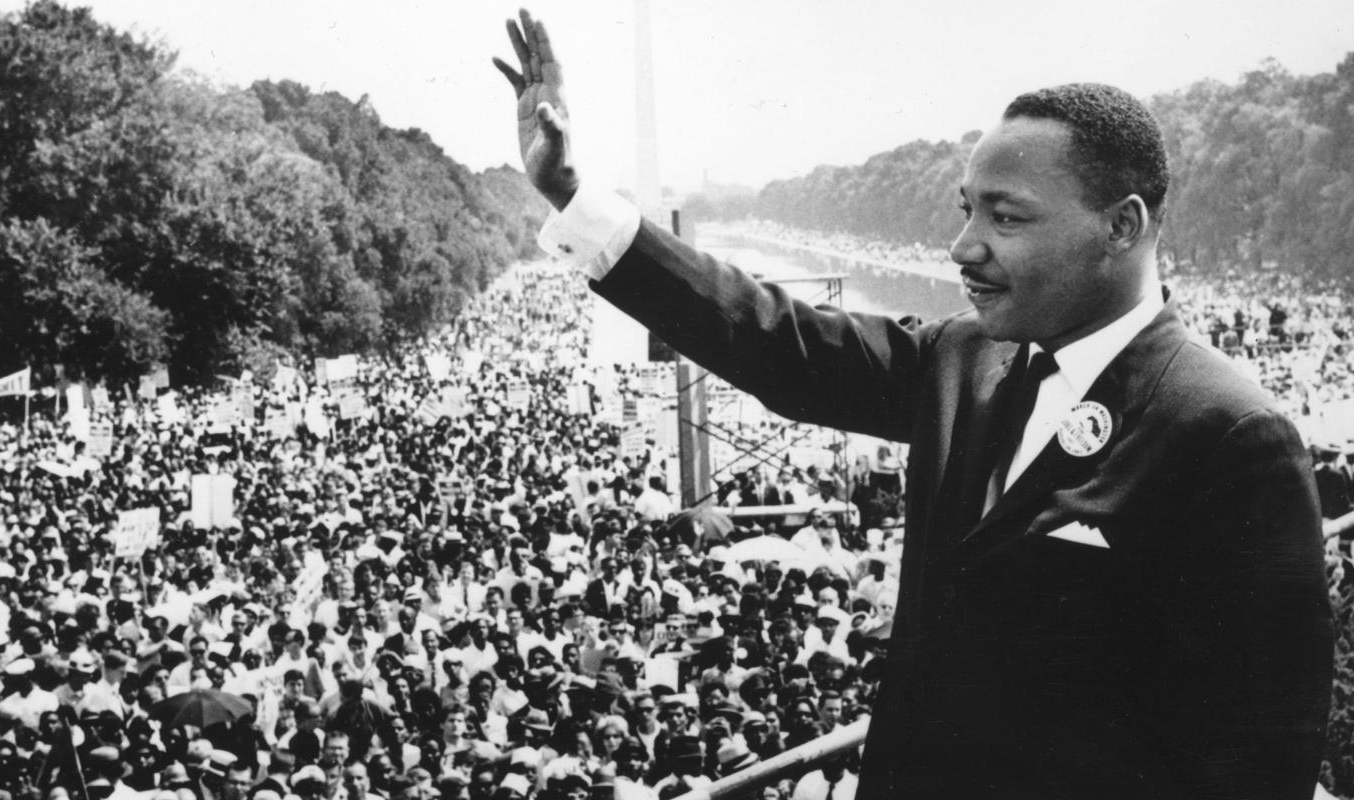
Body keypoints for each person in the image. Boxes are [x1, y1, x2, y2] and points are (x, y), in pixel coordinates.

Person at [494, 11, 1332, 800]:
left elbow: (1260, 762)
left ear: (1121, 227)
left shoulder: (1230, 435)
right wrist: (574, 195)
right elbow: (772, 341)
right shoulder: (962, 356)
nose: (963, 247)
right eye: (967, 209)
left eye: (1005, 217)